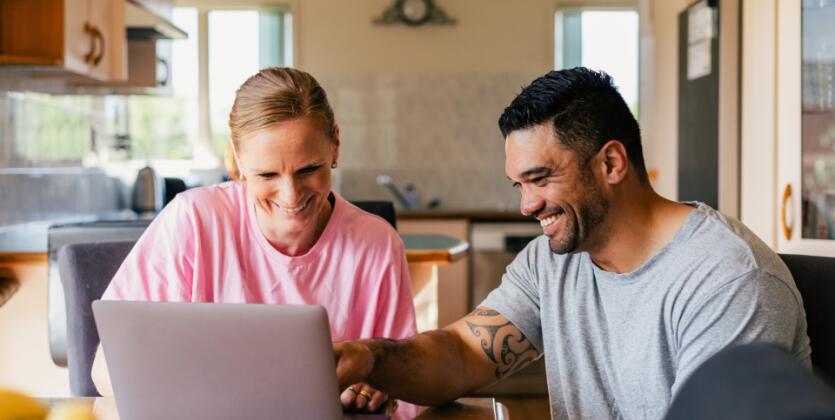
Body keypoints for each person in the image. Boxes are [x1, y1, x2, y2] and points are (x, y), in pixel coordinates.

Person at [333, 67, 811, 419]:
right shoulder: (553, 261)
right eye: (518, 185)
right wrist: (374, 358)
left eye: (540, 179)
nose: (527, 205)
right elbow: (463, 354)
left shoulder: (726, 280)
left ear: (611, 164)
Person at [91, 67, 417, 414]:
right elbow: (106, 368)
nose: (291, 197)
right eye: (267, 174)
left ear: (335, 144)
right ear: (240, 158)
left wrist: (380, 389)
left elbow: (406, 392)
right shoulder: (193, 220)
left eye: (309, 169)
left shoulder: (377, 244)